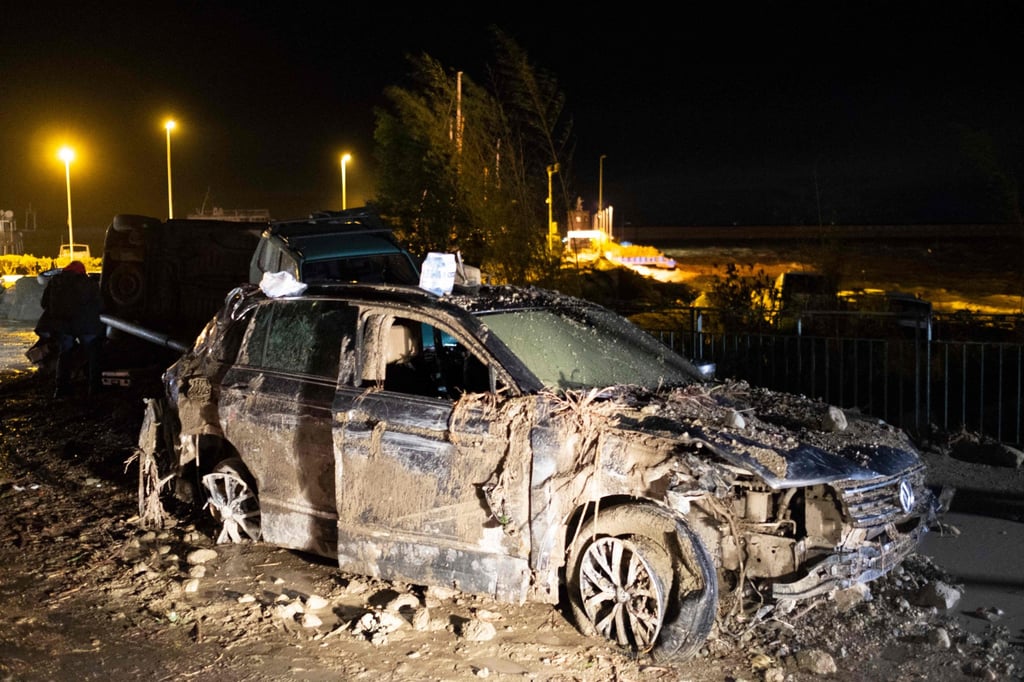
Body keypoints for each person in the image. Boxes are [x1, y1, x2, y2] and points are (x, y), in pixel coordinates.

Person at [37, 260, 105, 397]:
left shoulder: (55, 282)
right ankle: (94, 389)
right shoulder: (88, 283)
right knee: (94, 354)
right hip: (86, 325)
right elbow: (100, 305)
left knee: (65, 354)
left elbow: (44, 303)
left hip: (64, 326)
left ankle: (61, 389)